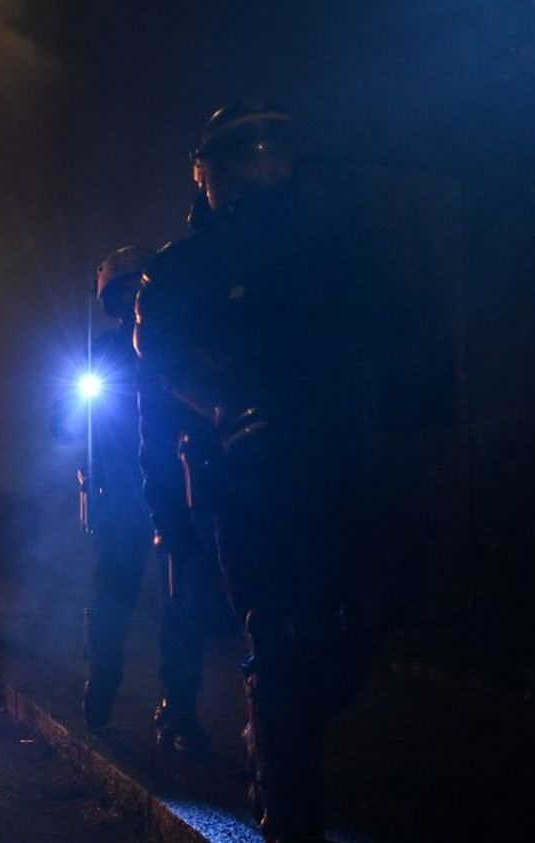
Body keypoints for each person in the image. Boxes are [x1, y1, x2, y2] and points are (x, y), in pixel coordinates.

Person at [135, 103, 364, 842]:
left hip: (335, 463)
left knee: (343, 638)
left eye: (271, 159)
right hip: (242, 476)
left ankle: (282, 759)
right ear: (207, 174)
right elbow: (163, 353)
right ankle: (286, 807)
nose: (258, 175)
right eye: (241, 163)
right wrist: (226, 409)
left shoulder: (334, 247)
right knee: (278, 641)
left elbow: (387, 335)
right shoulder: (183, 268)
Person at [62, 245, 215, 753]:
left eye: (143, 292)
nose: (135, 303)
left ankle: (178, 710)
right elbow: (66, 422)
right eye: (127, 294)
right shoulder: (102, 354)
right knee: (112, 598)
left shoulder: (180, 346)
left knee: (183, 602)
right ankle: (101, 686)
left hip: (176, 490)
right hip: (121, 497)